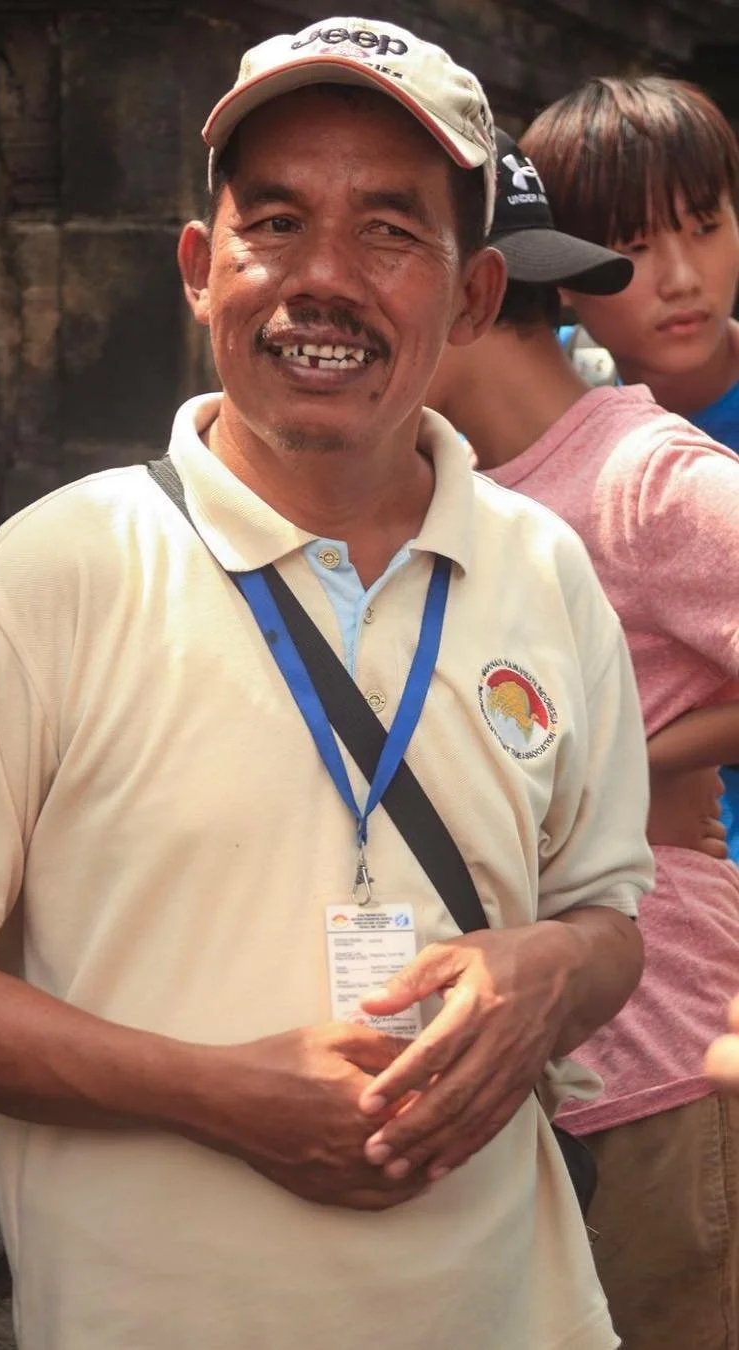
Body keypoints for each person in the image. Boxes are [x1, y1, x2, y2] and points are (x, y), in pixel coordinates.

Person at [0, 20, 651, 1350]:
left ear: (476, 298)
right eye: (275, 223)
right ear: (204, 273)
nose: (323, 279)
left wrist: (551, 967)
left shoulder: (545, 571)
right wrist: (215, 1090)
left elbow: (611, 915)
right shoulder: (56, 572)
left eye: (389, 231)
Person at [427, 130, 739, 1350]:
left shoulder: (642, 476)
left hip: (671, 1061)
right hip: (538, 1079)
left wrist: (636, 757)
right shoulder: (460, 491)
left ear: (478, 296)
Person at [520, 76, 739, 862]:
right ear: (564, 281)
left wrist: (639, 763)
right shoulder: (561, 448)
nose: (682, 276)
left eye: (707, 226)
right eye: (636, 247)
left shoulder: (658, 477)